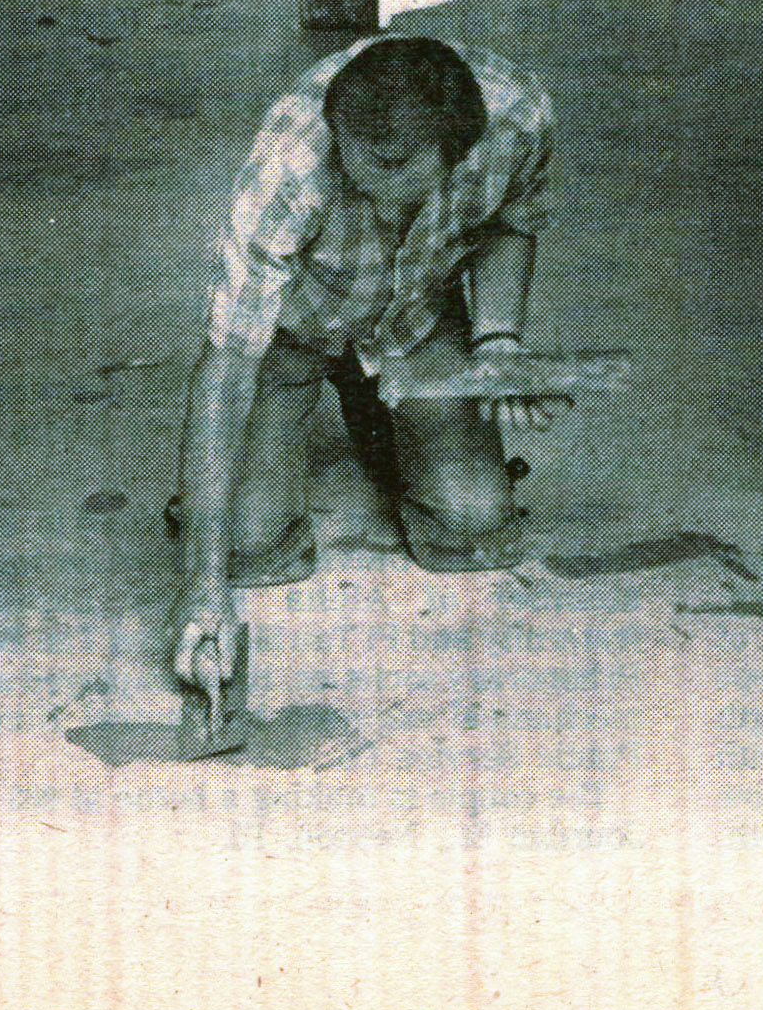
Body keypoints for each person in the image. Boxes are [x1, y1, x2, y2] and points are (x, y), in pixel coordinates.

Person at [168, 34, 562, 686]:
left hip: (414, 317)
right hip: (295, 332)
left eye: (390, 163)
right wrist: (202, 589)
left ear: (459, 150)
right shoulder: (291, 166)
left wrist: (497, 343)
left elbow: (512, 219)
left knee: (474, 528)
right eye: (352, 152)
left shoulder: (517, 118)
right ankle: (349, 388)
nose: (360, 178)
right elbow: (225, 374)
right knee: (247, 548)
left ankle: (367, 390)